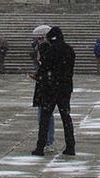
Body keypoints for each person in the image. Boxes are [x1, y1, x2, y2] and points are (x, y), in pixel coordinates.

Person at [30, 26, 75, 158]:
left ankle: (40, 146)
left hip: (51, 88)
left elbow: (44, 67)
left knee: (45, 118)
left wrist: (39, 75)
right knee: (66, 117)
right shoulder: (69, 50)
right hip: (65, 88)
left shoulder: (51, 50)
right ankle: (70, 146)